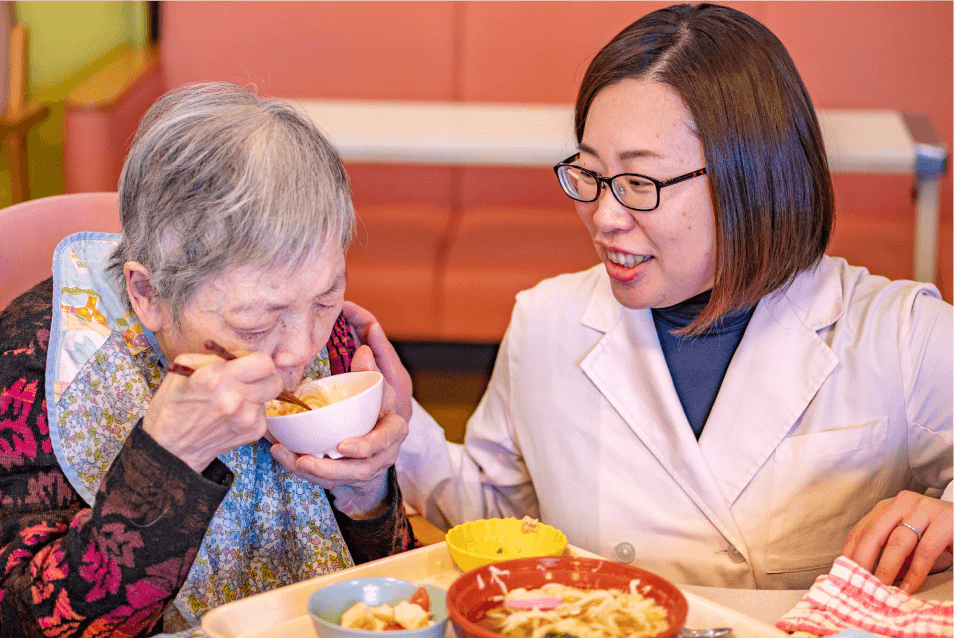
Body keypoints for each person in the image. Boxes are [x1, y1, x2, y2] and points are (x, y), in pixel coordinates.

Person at [387, 3, 952, 592]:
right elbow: (503, 521)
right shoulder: (547, 322)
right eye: (590, 175)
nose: (604, 217)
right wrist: (401, 435)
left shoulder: (900, 333)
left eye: (639, 183)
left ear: (748, 178)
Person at [0, 82, 413, 636]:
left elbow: (388, 590)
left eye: (326, 298)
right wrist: (164, 463)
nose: (302, 349)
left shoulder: (333, 336)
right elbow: (23, 620)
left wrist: (369, 492)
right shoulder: (39, 363)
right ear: (147, 293)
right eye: (256, 324)